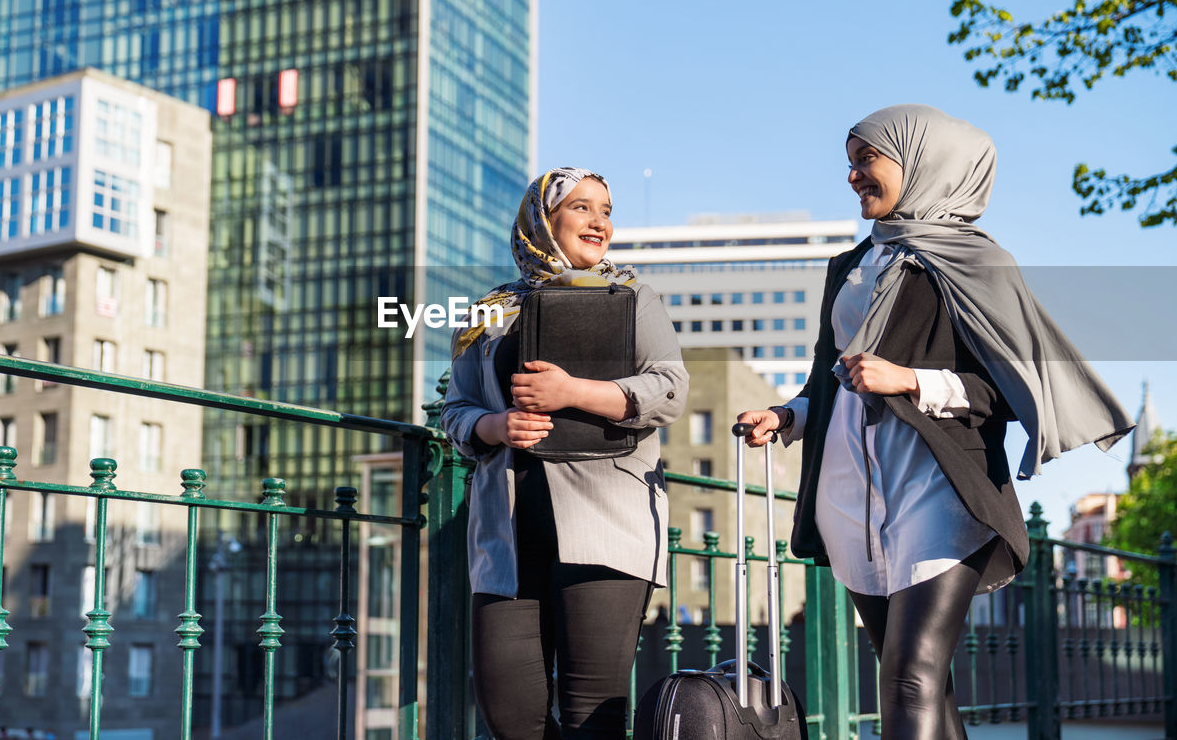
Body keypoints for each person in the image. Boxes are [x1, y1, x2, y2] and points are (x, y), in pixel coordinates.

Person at [737, 105, 1133, 740]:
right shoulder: (848, 267)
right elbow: (828, 379)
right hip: (853, 497)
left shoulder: (979, 265)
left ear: (921, 164)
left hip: (939, 491)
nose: (852, 176)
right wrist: (788, 415)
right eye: (850, 162)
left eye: (866, 160)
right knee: (925, 686)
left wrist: (911, 380)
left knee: (910, 679)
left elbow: (1005, 392)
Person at [442, 167, 688, 740]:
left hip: (605, 530)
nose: (599, 221)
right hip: (507, 537)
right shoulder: (490, 312)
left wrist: (574, 392)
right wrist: (495, 425)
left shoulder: (630, 299)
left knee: (592, 716)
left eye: (606, 209)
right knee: (510, 715)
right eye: (581, 207)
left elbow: (670, 389)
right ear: (542, 221)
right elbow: (455, 412)